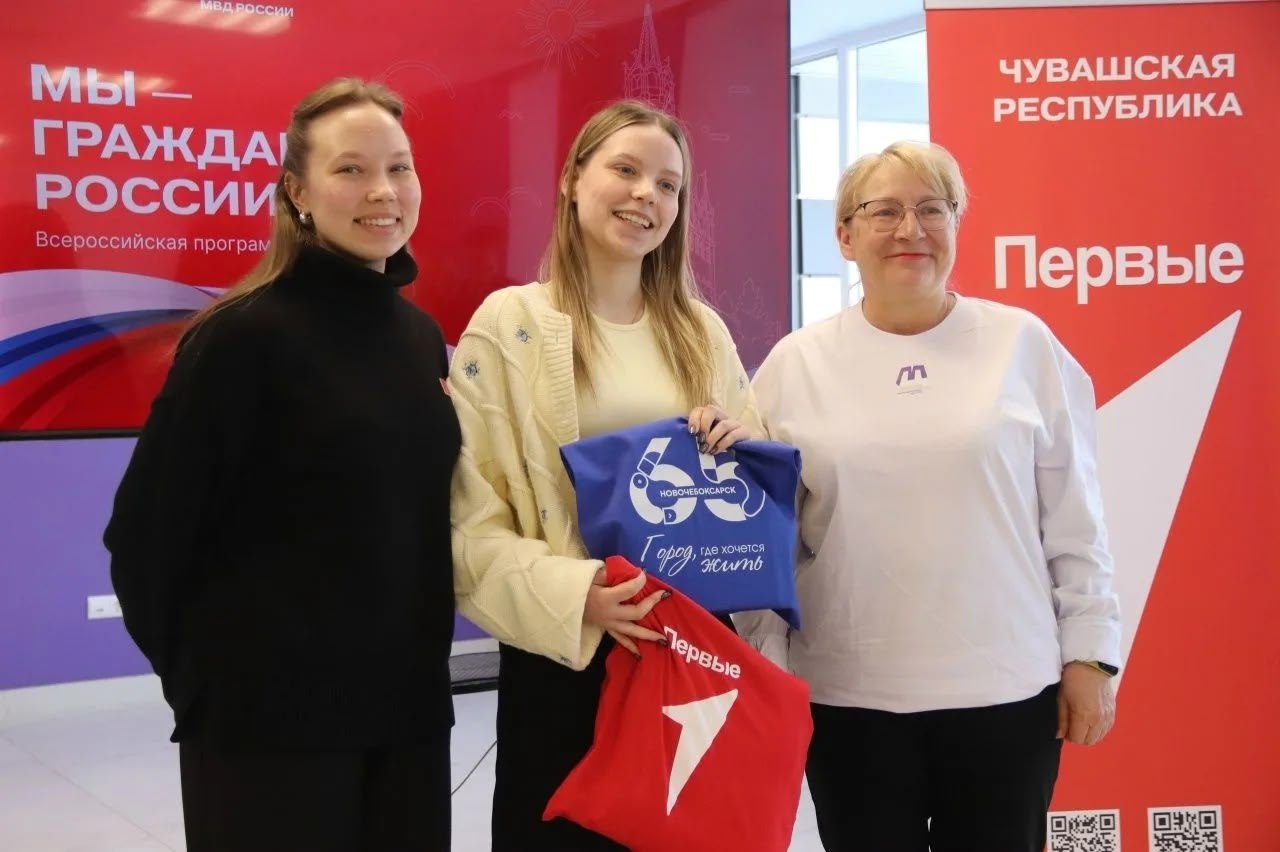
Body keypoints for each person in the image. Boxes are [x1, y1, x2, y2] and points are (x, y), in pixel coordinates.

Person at [103, 78, 458, 852]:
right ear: (297, 191)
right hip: (268, 728)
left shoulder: (419, 338)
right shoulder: (240, 338)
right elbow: (144, 537)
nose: (383, 191)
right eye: (351, 169)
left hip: (407, 716)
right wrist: (205, 689)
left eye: (398, 167)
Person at [737, 140, 1121, 852]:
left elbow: (1077, 519)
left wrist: (1091, 656)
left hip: (1008, 693)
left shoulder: (1023, 345)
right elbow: (767, 540)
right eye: (883, 211)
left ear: (956, 225)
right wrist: (768, 670)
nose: (910, 229)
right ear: (845, 235)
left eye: (932, 209)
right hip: (849, 698)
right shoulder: (794, 365)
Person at [448, 99, 762, 851]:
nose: (646, 195)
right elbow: (470, 516)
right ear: (572, 179)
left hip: (688, 649)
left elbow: (757, 489)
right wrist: (576, 595)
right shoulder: (510, 324)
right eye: (625, 169)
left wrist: (741, 449)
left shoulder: (701, 331)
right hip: (567, 653)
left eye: (668, 184)